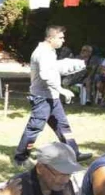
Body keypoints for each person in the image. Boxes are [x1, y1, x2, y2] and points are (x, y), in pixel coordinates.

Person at [13, 26, 85, 166]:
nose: (63, 40)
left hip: (52, 96)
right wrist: (62, 89)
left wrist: (72, 65)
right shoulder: (43, 52)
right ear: (51, 38)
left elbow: (53, 68)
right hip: (42, 98)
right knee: (34, 128)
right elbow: (46, 75)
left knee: (62, 125)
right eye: (60, 38)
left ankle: (74, 152)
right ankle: (20, 158)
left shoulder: (50, 51)